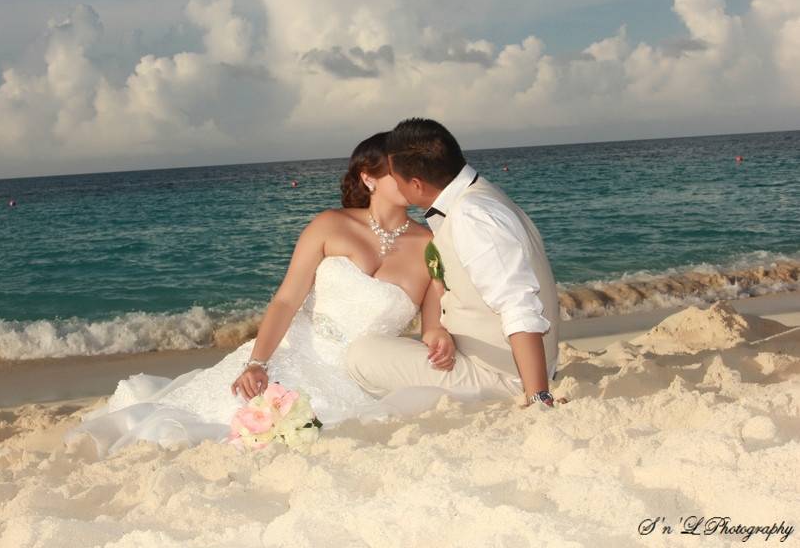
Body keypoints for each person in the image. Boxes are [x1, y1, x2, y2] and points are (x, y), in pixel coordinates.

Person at [64, 132, 460, 458]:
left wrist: (438, 338)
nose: (412, 176)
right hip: (293, 353)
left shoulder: (430, 243)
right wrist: (258, 362)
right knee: (216, 418)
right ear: (368, 178)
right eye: (398, 169)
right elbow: (286, 301)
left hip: (362, 376)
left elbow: (431, 325)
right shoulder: (328, 225)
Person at [345, 118, 565, 409]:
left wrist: (537, 395)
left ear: (416, 184)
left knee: (360, 355)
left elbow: (518, 304)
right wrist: (441, 330)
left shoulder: (471, 215)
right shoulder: (482, 195)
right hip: (502, 362)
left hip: (503, 375)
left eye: (397, 180)